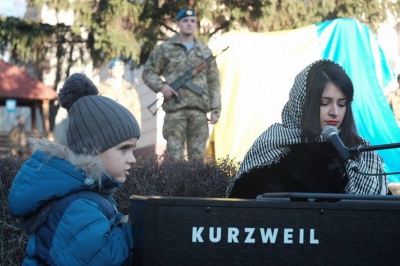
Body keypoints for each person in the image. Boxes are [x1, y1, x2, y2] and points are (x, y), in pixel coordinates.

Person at [8, 73, 141, 265]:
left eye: (133, 149)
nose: (133, 159)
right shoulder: (78, 205)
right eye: (124, 149)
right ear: (91, 150)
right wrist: (127, 228)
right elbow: (103, 259)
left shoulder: (86, 195)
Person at [226, 59, 388, 199]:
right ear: (303, 103)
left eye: (341, 104)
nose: (334, 112)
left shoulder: (361, 152)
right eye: (325, 103)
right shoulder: (273, 146)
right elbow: (243, 210)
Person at [142, 8, 221, 161]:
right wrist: (162, 87)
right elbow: (148, 72)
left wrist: (216, 109)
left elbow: (214, 82)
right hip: (174, 111)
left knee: (198, 158)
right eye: (185, 21)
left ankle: (196, 186)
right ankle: (173, 186)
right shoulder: (165, 49)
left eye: (192, 21)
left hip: (199, 111)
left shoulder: (205, 51)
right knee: (174, 157)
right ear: (178, 23)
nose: (189, 24)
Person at [98, 58, 142, 129]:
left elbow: (136, 111)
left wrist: (137, 129)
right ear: (110, 70)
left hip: (126, 128)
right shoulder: (101, 88)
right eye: (116, 68)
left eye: (121, 69)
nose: (119, 71)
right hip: (106, 127)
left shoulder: (130, 89)